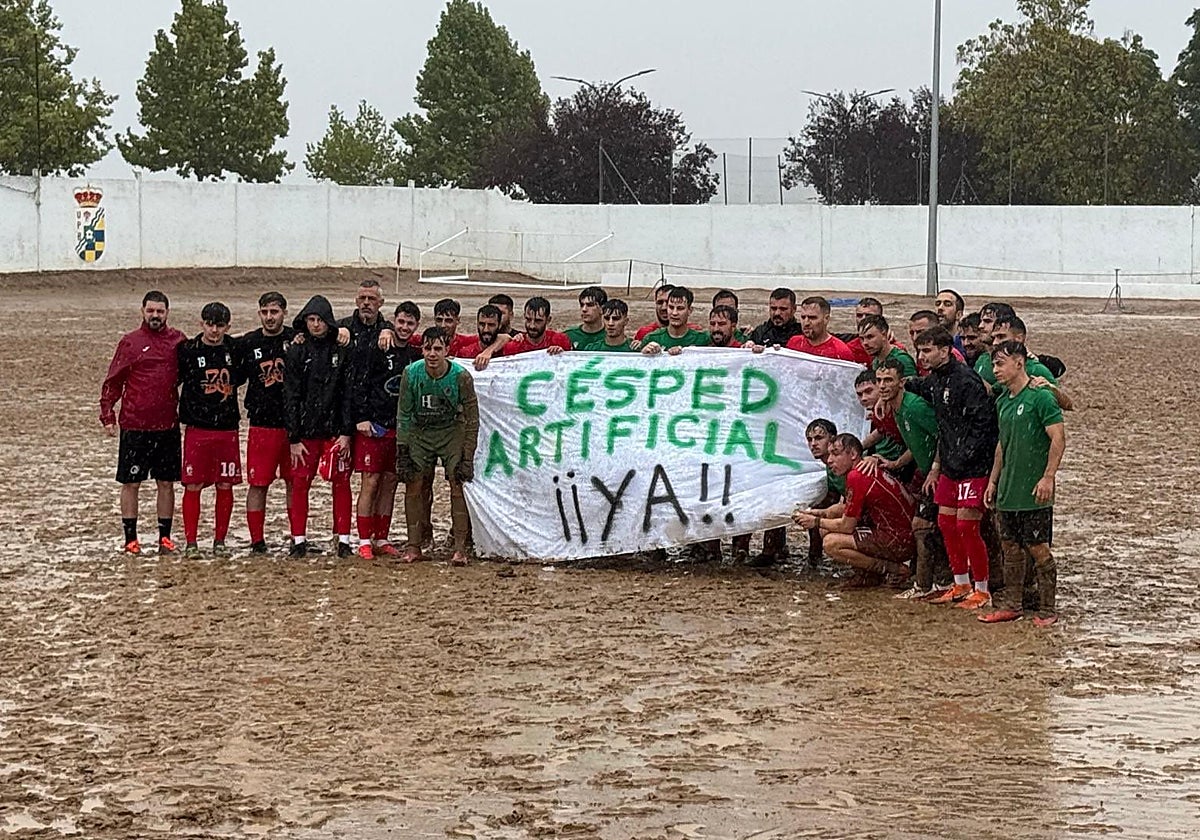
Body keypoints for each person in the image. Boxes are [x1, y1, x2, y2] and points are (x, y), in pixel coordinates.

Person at [908, 326, 998, 610]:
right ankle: (960, 584)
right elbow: (919, 386)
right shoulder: (935, 379)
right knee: (946, 524)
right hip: (949, 465)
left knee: (967, 526)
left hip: (973, 466)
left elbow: (984, 426)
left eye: (927, 351)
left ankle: (982, 589)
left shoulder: (966, 381)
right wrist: (897, 385)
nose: (921, 357)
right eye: (919, 351)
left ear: (945, 351)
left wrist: (966, 455)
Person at [979, 341, 1066, 626]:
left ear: (1019, 363)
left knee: (1038, 547)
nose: (996, 370)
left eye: (1000, 364)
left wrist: (1048, 476)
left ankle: (1047, 608)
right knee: (1010, 547)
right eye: (993, 365)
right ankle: (1012, 604)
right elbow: (1002, 445)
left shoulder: (1040, 397)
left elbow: (1058, 438)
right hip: (1008, 489)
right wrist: (993, 481)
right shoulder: (1004, 400)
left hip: (1033, 489)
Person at [100, 290, 186, 555]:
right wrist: (107, 412)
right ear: (142, 311)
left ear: (167, 313)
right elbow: (114, 380)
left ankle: (165, 537)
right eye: (151, 311)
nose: (155, 316)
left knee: (166, 483)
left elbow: (191, 375)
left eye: (160, 311)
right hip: (135, 425)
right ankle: (131, 538)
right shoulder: (130, 342)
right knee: (131, 482)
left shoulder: (178, 341)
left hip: (167, 426)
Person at [396, 327, 480, 566]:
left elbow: (473, 418)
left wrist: (467, 456)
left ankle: (460, 547)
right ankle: (414, 545)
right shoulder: (411, 374)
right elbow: (403, 414)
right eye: (427, 348)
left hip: (450, 431)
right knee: (414, 484)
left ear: (447, 350)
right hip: (420, 432)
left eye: (437, 349)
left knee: (457, 483)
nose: (432, 354)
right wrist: (402, 450)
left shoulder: (461, 377)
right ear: (421, 350)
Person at [347, 301, 423, 559]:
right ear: (394, 321)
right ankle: (364, 539)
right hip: (374, 427)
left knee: (390, 482)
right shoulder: (377, 348)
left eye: (410, 323)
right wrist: (361, 417)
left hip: (399, 429)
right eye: (400, 322)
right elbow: (359, 384)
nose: (404, 327)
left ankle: (382, 537)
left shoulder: (416, 356)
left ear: (416, 326)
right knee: (370, 482)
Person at [793, 433, 916, 586]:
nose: (830, 460)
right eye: (830, 454)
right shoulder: (864, 467)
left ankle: (889, 569)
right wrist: (819, 513)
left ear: (852, 454)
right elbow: (847, 509)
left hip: (899, 540)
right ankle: (866, 574)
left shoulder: (856, 476)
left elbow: (846, 526)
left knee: (831, 543)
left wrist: (815, 521)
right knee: (831, 515)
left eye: (836, 454)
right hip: (902, 532)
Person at [283, 295, 354, 558]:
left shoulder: (341, 350)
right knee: (300, 483)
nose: (315, 325)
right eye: (311, 320)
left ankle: (344, 540)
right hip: (305, 433)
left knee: (341, 483)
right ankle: (298, 540)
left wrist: (346, 433)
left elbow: (348, 393)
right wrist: (293, 437)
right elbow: (290, 394)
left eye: (320, 320)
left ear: (329, 322)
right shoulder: (297, 351)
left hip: (335, 432)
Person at [874, 358, 946, 600]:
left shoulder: (914, 407)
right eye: (879, 381)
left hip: (944, 473)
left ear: (902, 382)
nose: (883, 386)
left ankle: (927, 585)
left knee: (922, 525)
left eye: (888, 381)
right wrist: (895, 464)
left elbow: (943, 435)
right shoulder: (895, 407)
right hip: (926, 472)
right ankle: (931, 581)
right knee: (932, 526)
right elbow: (916, 443)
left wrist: (936, 469)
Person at [177, 302, 244, 557]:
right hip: (197, 429)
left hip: (227, 429)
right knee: (192, 485)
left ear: (228, 326)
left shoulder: (235, 349)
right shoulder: (187, 350)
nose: (214, 330)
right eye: (209, 324)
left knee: (225, 485)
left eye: (220, 325)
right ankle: (191, 542)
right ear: (201, 323)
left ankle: (220, 541)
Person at [237, 291, 295, 554]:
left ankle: (298, 537)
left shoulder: (296, 338)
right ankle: (257, 540)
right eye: (265, 312)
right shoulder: (248, 342)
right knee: (258, 483)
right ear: (259, 313)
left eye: (275, 312)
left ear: (284, 312)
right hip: (261, 423)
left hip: (294, 425)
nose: (270, 317)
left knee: (295, 483)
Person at [800, 418, 847, 565]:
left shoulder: (844, 461)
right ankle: (815, 558)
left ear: (832, 439)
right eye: (810, 439)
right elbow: (833, 497)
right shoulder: (829, 465)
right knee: (815, 511)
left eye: (819, 438)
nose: (813, 444)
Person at [786, 296, 857, 361]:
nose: (806, 323)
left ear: (826, 319)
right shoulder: (794, 342)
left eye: (812, 318)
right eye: (803, 317)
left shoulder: (840, 351)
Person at [641, 286, 710, 352]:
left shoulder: (702, 339)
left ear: (689, 310)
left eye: (680, 308)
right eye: (671, 307)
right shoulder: (652, 338)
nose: (674, 313)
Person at [504, 296, 571, 355]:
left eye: (538, 321)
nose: (532, 326)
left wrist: (562, 354)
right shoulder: (514, 347)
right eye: (528, 319)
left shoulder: (560, 340)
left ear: (548, 320)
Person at [564, 286, 608, 350]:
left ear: (602, 308)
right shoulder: (568, 336)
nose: (584, 309)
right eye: (582, 305)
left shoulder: (611, 337)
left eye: (590, 305)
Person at [843, 296, 884, 364]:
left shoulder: (894, 348)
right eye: (859, 315)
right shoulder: (850, 346)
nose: (863, 319)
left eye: (868, 315)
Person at [934, 288, 966, 353]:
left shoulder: (965, 342)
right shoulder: (931, 340)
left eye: (947, 304)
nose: (940, 308)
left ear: (959, 314)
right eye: (937, 304)